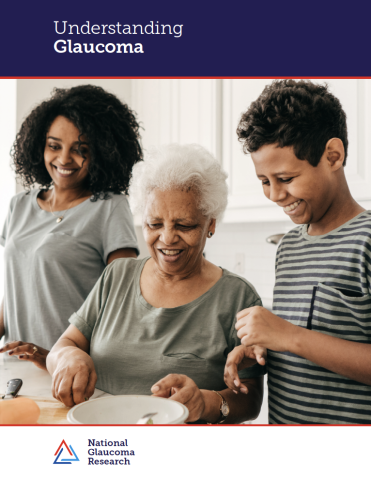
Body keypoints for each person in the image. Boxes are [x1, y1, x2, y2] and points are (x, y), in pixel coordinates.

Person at [47, 144, 265, 424]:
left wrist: (206, 402)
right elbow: (63, 345)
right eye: (154, 224)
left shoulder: (238, 297)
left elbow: (250, 401)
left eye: (184, 225)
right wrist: (68, 358)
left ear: (210, 224)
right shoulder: (117, 275)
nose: (167, 238)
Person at [224, 79, 371, 424]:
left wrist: (286, 336)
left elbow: (297, 338)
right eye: (264, 181)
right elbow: (303, 346)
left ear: (332, 156)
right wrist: (263, 349)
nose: (275, 194)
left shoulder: (366, 239)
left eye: (286, 178)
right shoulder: (288, 248)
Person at [0, 85, 142, 370]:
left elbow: (123, 304)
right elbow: (16, 289)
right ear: (39, 145)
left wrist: (58, 355)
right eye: (54, 146)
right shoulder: (20, 205)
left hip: (73, 371)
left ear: (103, 152)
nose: (64, 159)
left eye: (81, 150)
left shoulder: (110, 207)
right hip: (14, 368)